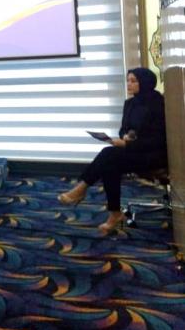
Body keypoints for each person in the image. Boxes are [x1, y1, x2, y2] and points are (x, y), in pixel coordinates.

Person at [58, 68, 167, 234]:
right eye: (128, 80)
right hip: (135, 151)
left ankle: (83, 189)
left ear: (145, 82)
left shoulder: (159, 104)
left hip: (154, 155)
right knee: (110, 162)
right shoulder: (130, 104)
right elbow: (123, 129)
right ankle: (113, 212)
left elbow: (159, 140)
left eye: (133, 81)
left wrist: (128, 145)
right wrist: (125, 136)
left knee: (109, 155)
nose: (129, 84)